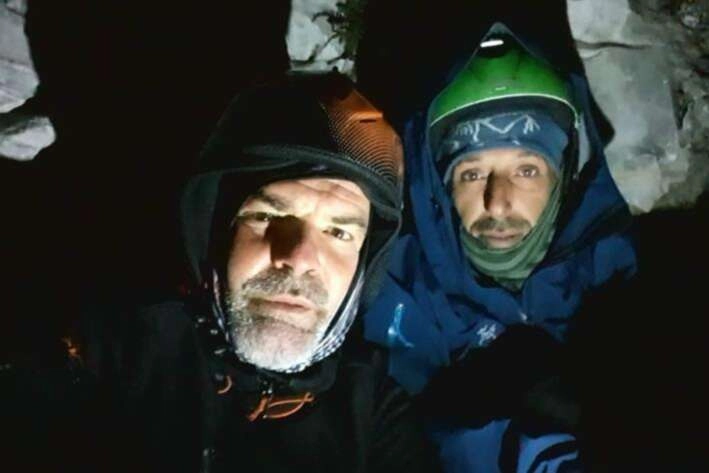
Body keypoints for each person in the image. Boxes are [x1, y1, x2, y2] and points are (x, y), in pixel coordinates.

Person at [78, 72, 440, 472]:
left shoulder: (375, 412)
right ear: (213, 231)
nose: (299, 258)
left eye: (339, 233)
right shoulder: (109, 357)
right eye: (268, 216)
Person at [362, 22, 637, 472]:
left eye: (527, 170)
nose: (498, 201)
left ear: (565, 173)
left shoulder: (625, 272)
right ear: (440, 185)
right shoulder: (398, 289)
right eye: (471, 173)